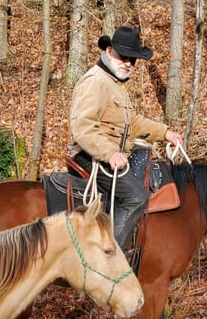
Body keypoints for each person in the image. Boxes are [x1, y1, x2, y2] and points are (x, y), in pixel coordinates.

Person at [68, 26, 184, 251]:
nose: (129, 63)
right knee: (137, 197)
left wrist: (165, 133)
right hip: (90, 156)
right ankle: (107, 259)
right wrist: (109, 152)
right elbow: (82, 127)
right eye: (124, 56)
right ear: (109, 51)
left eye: (133, 59)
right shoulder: (95, 81)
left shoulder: (114, 84)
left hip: (108, 155)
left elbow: (132, 121)